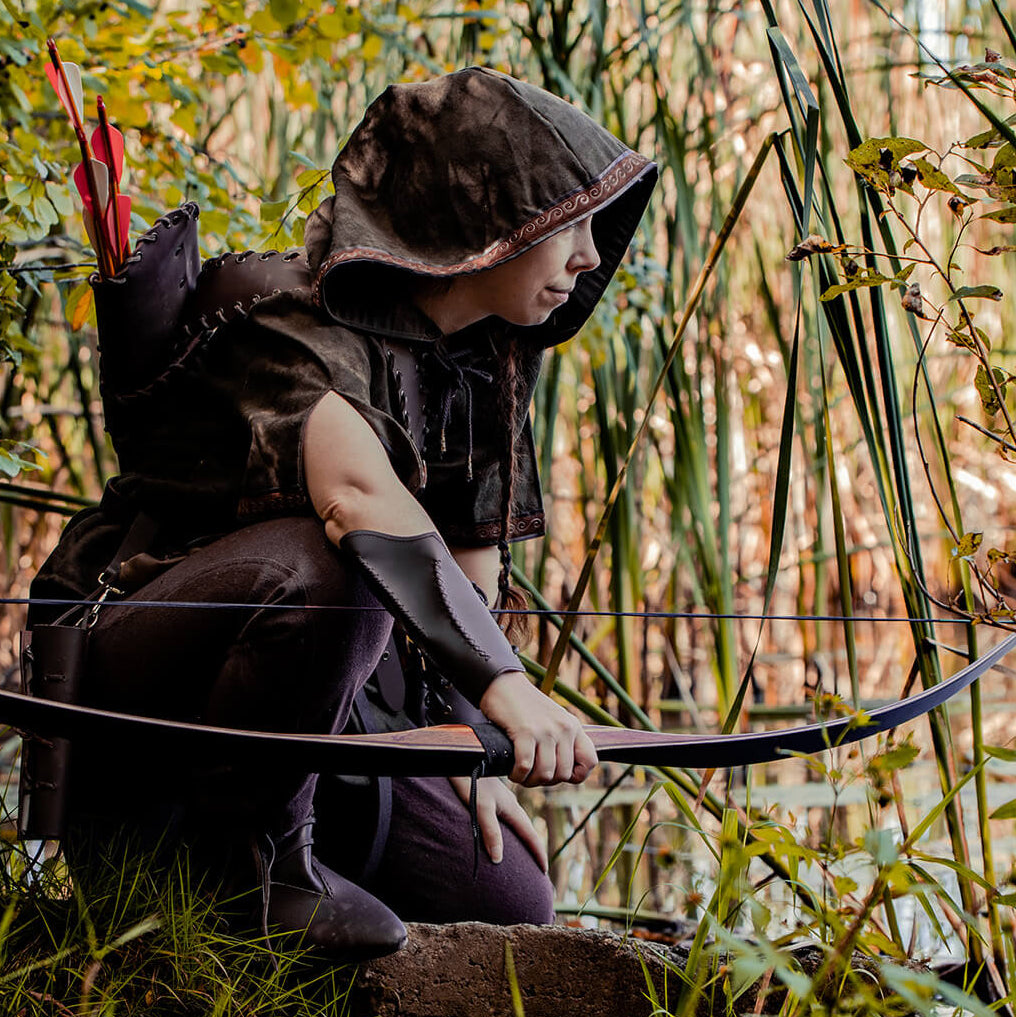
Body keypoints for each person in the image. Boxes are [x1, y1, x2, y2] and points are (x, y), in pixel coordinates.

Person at [28, 67, 658, 960]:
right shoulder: (289, 317)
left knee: (511, 895)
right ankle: (254, 873)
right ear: (481, 221)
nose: (591, 256)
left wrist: (476, 742)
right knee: (340, 567)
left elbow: (473, 574)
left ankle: (281, 849)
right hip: (154, 687)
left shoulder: (490, 357)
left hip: (327, 710)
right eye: (568, 225)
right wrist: (510, 691)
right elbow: (361, 500)